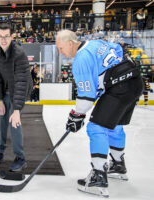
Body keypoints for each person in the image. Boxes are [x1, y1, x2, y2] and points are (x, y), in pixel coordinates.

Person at [55, 30, 143, 197]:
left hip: (119, 87)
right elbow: (118, 49)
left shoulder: (80, 59)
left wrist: (76, 115)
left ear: (70, 43)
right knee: (114, 125)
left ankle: (99, 177)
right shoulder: (95, 43)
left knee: (96, 127)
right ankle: (118, 165)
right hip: (135, 82)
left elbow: (87, 96)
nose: (60, 52)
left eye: (60, 48)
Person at [0, 22, 32, 172]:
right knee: (2, 121)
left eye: (6, 36)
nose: (3, 40)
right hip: (6, 89)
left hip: (20, 89)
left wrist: (16, 109)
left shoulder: (19, 53)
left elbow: (22, 82)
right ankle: (0, 152)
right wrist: (0, 100)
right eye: (0, 37)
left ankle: (21, 158)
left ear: (12, 36)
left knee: (14, 123)